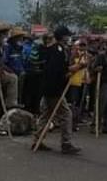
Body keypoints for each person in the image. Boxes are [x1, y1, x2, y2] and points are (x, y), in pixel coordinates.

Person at [32, 26, 81, 154]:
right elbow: (57, 70)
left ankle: (38, 140)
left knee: (46, 115)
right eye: (67, 36)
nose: (69, 38)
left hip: (48, 86)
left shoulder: (54, 49)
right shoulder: (58, 51)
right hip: (53, 88)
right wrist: (73, 69)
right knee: (66, 114)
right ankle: (66, 143)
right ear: (63, 37)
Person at [67, 40, 89, 127]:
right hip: (74, 81)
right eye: (81, 46)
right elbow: (69, 67)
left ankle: (77, 119)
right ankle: (71, 121)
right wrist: (80, 66)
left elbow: (88, 68)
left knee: (81, 102)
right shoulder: (73, 55)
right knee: (73, 101)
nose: (82, 47)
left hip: (83, 81)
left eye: (84, 46)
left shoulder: (87, 56)